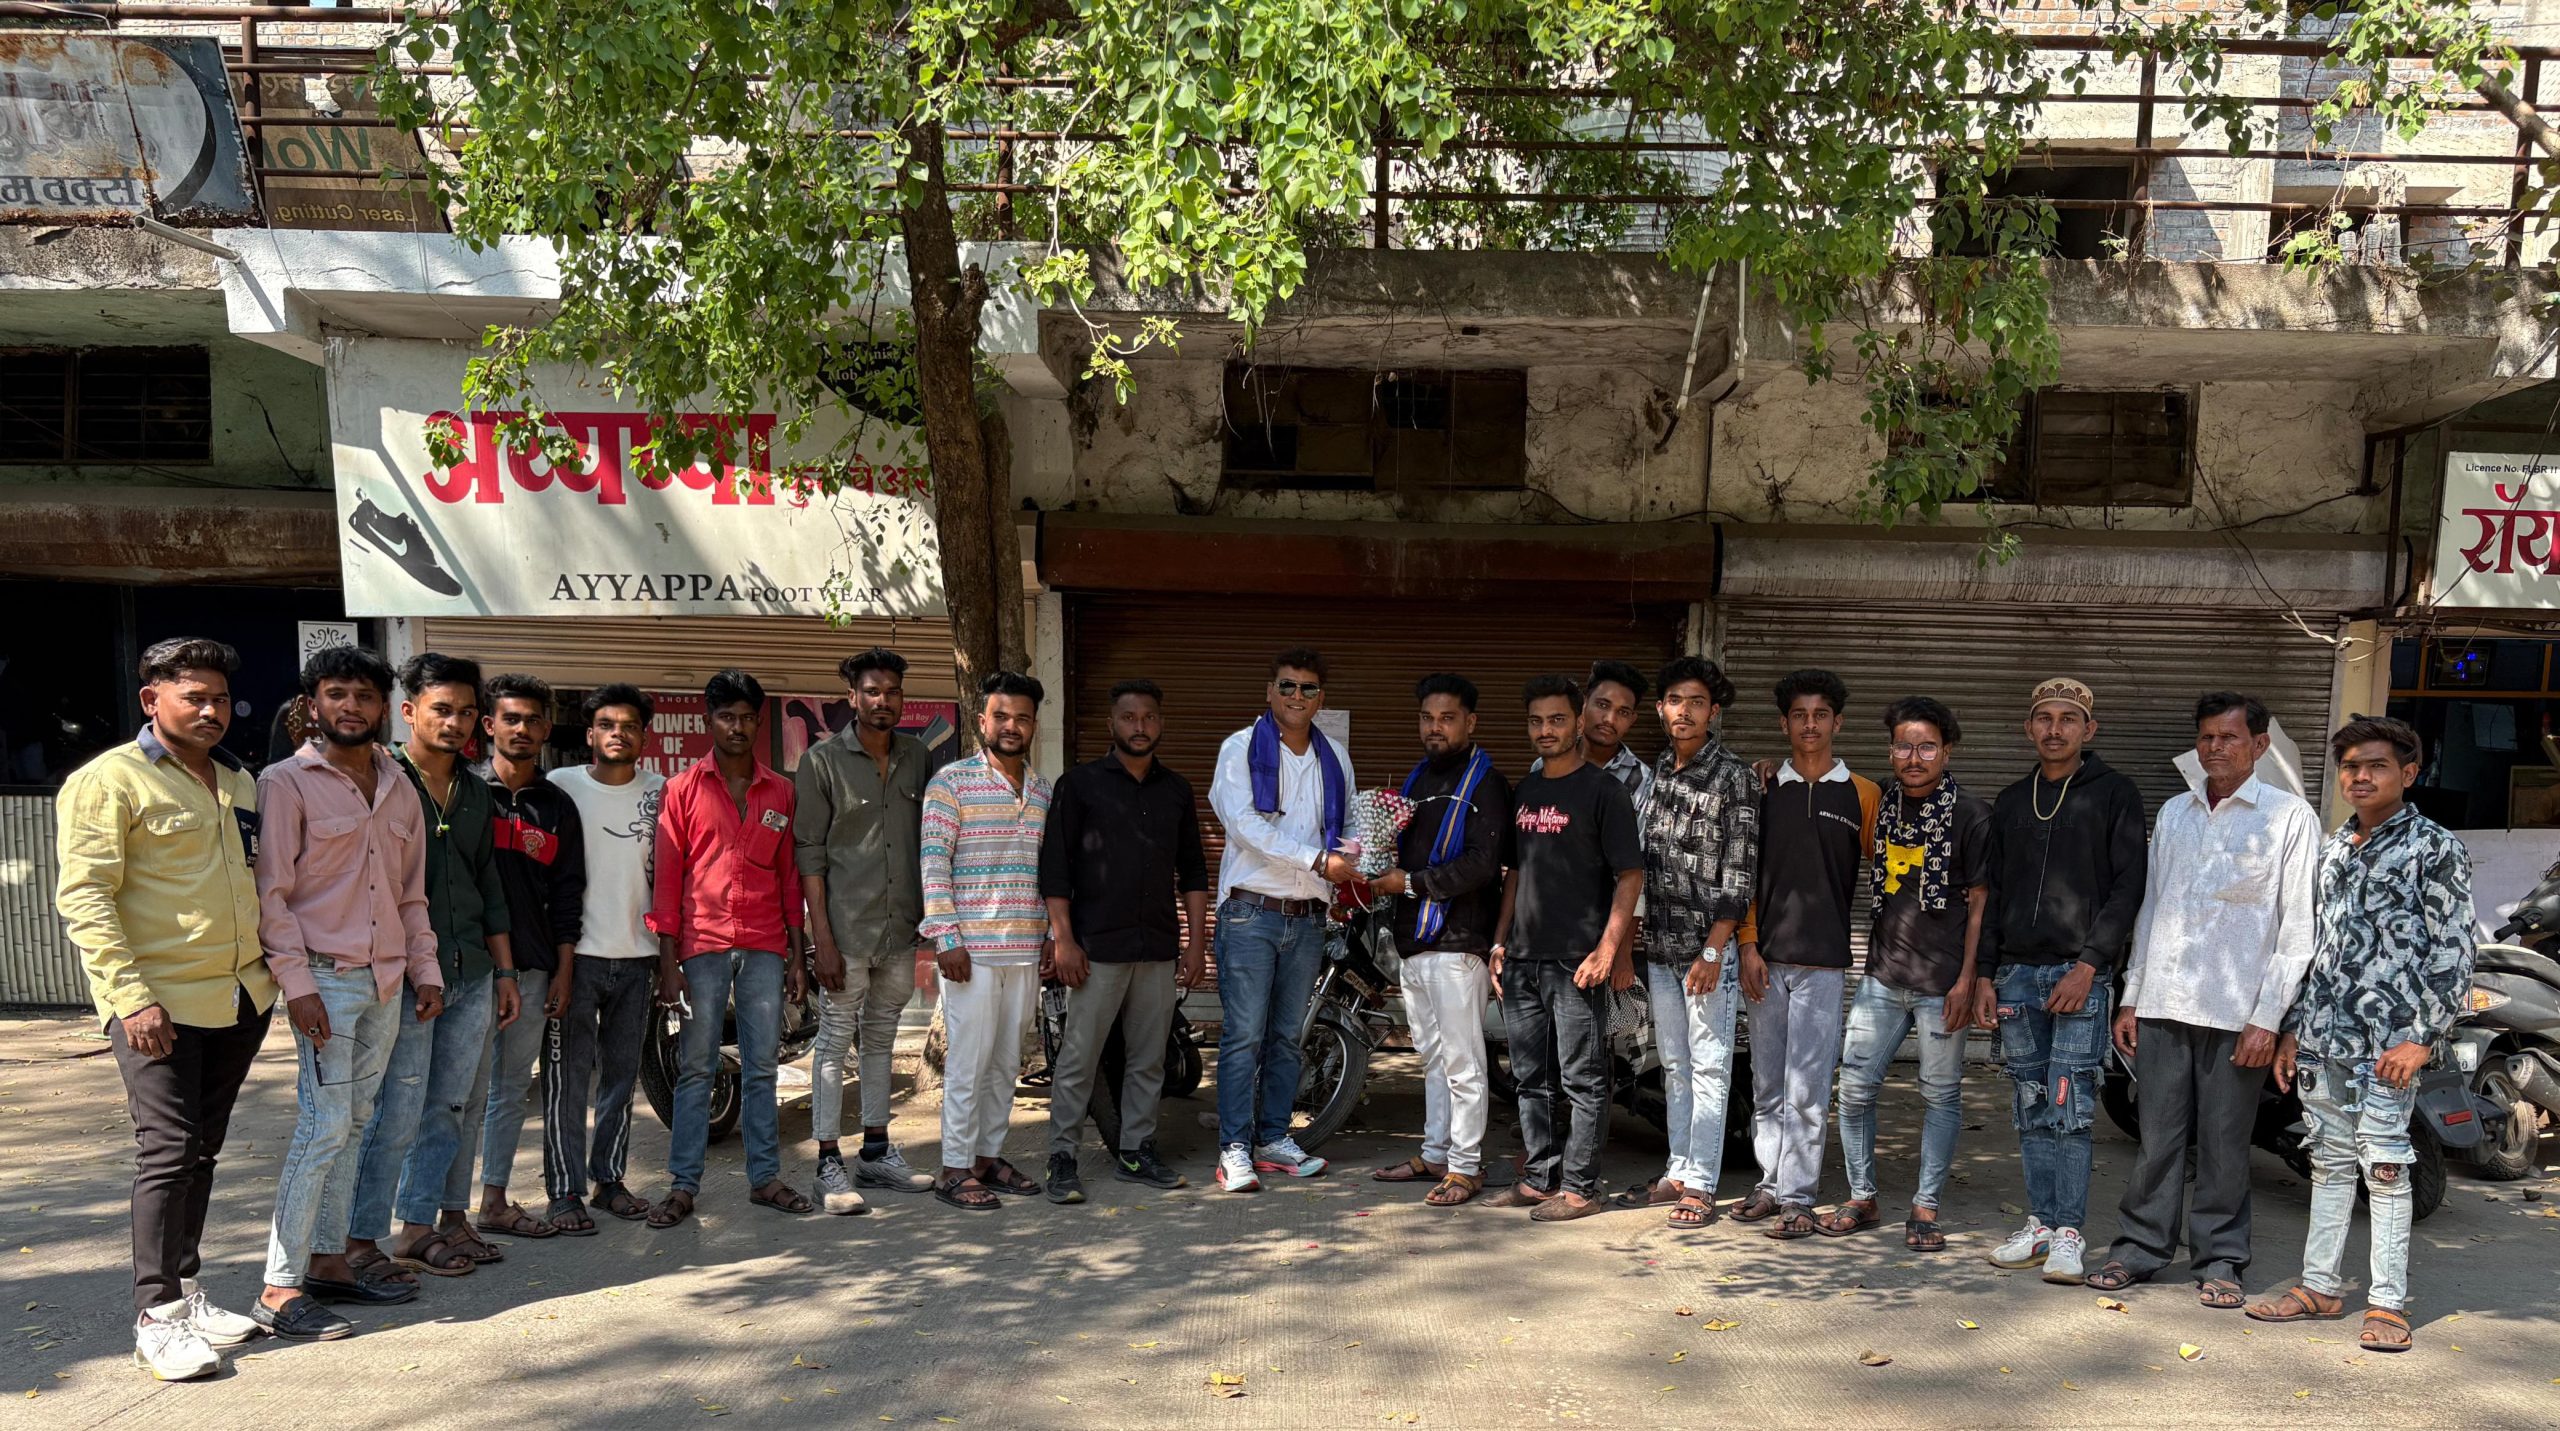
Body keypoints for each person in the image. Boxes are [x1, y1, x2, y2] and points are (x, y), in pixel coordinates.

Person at [57, 638, 277, 1380]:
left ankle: (186, 1291)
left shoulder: (239, 779)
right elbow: (86, 897)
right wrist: (130, 998)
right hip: (158, 1004)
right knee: (168, 1150)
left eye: (221, 698)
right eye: (195, 697)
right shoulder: (109, 779)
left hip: (240, 995)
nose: (213, 710)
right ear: (153, 699)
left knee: (203, 1150)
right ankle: (156, 1316)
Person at [2246, 717, 2474, 1354]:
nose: (2361, 777)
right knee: (2328, 1161)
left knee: (2386, 1166)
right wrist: (2293, 1029)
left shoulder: (2435, 848)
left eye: (2376, 765)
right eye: (2351, 767)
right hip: (2323, 1037)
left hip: (2390, 1045)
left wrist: (2422, 1038)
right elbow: (2314, 946)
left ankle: (2388, 1303)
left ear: (2409, 773)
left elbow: (2454, 951)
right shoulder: (2333, 849)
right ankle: (2320, 1286)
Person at [2087, 692, 2319, 1304]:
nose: (2215, 747)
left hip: (2237, 1013)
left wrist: (2267, 1018)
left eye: (2229, 737)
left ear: (2259, 745)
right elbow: (2153, 909)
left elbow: (2297, 930)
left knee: (2223, 1145)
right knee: (2158, 1139)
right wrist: (2133, 996)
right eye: (2207, 737)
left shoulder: (2289, 818)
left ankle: (2220, 1259)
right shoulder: (2175, 813)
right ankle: (2140, 1248)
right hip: (2165, 1003)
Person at [253, 646, 438, 1342]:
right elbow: (272, 894)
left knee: (357, 1121)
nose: (351, 707)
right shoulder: (286, 783)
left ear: (383, 708)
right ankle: (278, 1287)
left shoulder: (399, 785)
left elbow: (410, 893)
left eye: (364, 696)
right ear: (314, 705)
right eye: (337, 694)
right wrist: (296, 983)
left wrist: (425, 969)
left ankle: (329, 1261)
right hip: (323, 979)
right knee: (323, 1124)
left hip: (385, 979)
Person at [331, 653, 518, 1286]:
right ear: (408, 711)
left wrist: (506, 973)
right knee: (395, 1109)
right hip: (405, 972)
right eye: (442, 709)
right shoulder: (381, 779)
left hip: (471, 970)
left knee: (449, 1107)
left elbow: (488, 883)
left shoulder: (475, 789)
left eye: (466, 712)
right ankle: (360, 1239)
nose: (455, 722)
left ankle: (417, 1227)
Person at [1981, 677, 2148, 1285]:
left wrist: (2089, 965)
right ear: (2029, 728)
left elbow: (2129, 887)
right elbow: (1993, 894)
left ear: (2088, 729)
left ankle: (2071, 1232)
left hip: (2080, 975)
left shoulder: (2115, 794)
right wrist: (1984, 975)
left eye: (2068, 719)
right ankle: (2042, 1225)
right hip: (2016, 975)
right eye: (2045, 718)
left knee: (2070, 1105)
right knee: (2030, 1104)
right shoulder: (2010, 801)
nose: (2055, 729)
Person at [646, 668, 809, 1226]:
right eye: (725, 717)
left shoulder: (780, 791)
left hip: (764, 944)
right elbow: (668, 880)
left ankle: (765, 1178)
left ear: (759, 722)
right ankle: (683, 1185)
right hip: (702, 945)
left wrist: (796, 955)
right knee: (697, 1067)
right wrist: (668, 960)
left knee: (762, 1066)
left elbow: (789, 878)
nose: (736, 727)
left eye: (746, 718)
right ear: (708, 721)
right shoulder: (682, 790)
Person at [1829, 696, 1990, 1252]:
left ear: (1947, 751)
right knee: (1854, 1090)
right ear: (1890, 751)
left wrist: (1968, 979)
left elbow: (1979, 902)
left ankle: (1925, 1207)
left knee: (1939, 1095)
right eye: (1904, 746)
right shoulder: (1879, 802)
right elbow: (1824, 790)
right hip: (1882, 976)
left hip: (1943, 981)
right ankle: (1863, 1197)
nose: (1914, 757)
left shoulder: (1971, 814)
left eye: (1926, 747)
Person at [1039, 678, 1208, 1203]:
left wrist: (1195, 943)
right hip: (1096, 950)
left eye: (1149, 717)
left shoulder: (1176, 790)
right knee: (1079, 1058)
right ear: (1112, 723)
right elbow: (1055, 870)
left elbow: (1193, 871)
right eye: (1130, 717)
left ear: (1161, 723)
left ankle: (1136, 1152)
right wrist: (1063, 940)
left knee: (1148, 1059)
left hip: (1156, 948)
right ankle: (1062, 1157)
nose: (1140, 726)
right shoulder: (1079, 785)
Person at [1487, 675, 1644, 1222]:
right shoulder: (1526, 790)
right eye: (1536, 721)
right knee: (1529, 1079)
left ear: (1579, 722)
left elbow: (1630, 874)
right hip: (1523, 958)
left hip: (1576, 960)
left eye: (1556, 719)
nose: (1545, 730)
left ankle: (1580, 1188)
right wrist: (1501, 941)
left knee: (1583, 1078)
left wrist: (1608, 949)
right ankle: (1539, 1178)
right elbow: (1515, 871)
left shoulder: (1605, 791)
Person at [1731, 669, 1879, 1241]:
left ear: (1837, 722)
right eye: (1799, 715)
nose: (1809, 725)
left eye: (1820, 715)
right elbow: (1743, 872)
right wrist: (1747, 943)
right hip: (1765, 960)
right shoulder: (1763, 788)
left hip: (1824, 962)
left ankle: (1798, 1198)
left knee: (1808, 1090)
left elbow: (1889, 874)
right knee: (1767, 1085)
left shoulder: (1863, 794)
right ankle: (1770, 1184)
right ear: (1784, 723)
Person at [794, 648, 942, 1215]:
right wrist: (822, 940)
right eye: (872, 691)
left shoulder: (916, 757)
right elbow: (809, 854)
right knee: (835, 1040)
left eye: (892, 691)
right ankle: (828, 1164)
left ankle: (876, 1153)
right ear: (852, 697)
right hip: (846, 930)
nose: (884, 701)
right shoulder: (822, 761)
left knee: (881, 1039)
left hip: (900, 927)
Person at [1206, 647, 1359, 1192]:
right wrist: (1317, 860)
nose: (1297, 696)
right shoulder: (1240, 748)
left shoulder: (1334, 756)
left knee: (1289, 1037)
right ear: (1270, 691)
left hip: (1309, 917)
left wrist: (1359, 855)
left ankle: (1272, 1138)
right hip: (1251, 912)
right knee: (1244, 1036)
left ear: (1322, 698)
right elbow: (1243, 824)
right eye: (1287, 686)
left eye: (1308, 688)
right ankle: (1233, 1148)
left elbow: (1348, 825)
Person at [1615, 656, 1757, 1229]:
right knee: (1673, 1064)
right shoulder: (1659, 771)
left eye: (1697, 702)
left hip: (1706, 953)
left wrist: (1715, 949)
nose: (1685, 711)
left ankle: (1700, 1183)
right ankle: (1677, 1170)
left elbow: (1740, 874)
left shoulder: (1734, 776)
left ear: (1713, 712)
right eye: (1676, 701)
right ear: (1661, 709)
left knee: (1710, 1067)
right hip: (1661, 948)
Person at [1368, 674, 1513, 1208]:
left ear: (1470, 722)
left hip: (1458, 943)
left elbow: (1481, 864)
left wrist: (1408, 883)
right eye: (1427, 718)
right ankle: (1435, 1153)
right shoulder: (1416, 780)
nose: (1436, 727)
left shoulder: (1487, 783)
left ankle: (1465, 1166)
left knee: (1463, 1063)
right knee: (1430, 1057)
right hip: (1413, 941)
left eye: (1447, 718)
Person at [921, 671, 1055, 1211]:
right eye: (1001, 716)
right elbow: (934, 865)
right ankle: (953, 1168)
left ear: (1034, 726)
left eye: (1022, 718)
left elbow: (1048, 872)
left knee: (1005, 1064)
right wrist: (946, 938)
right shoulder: (950, 783)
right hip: (970, 954)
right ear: (982, 722)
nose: (1011, 726)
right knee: (968, 1064)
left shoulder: (1043, 790)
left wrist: (1051, 935)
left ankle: (986, 1157)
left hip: (1024, 949)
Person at [543, 685, 666, 1231]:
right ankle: (564, 1191)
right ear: (590, 733)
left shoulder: (662, 792)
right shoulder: (560, 785)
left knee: (621, 1078)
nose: (619, 733)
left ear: (645, 736)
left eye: (630, 725)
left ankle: (608, 1181)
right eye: (608, 724)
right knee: (567, 1080)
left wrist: (668, 959)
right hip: (576, 957)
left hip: (638, 957)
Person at [469, 673, 586, 1243]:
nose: (522, 729)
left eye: (532, 720)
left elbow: (568, 894)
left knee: (511, 1087)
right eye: (510, 719)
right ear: (489, 725)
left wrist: (564, 968)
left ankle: (493, 1200)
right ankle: (440, 1212)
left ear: (546, 728)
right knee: (458, 1093)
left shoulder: (557, 806)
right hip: (470, 971)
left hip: (536, 968)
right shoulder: (466, 792)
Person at [1577, 659, 1655, 819]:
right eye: (1603, 705)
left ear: (1632, 720)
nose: (1610, 720)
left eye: (1623, 712)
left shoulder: (1642, 782)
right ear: (1583, 703)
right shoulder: (1549, 763)